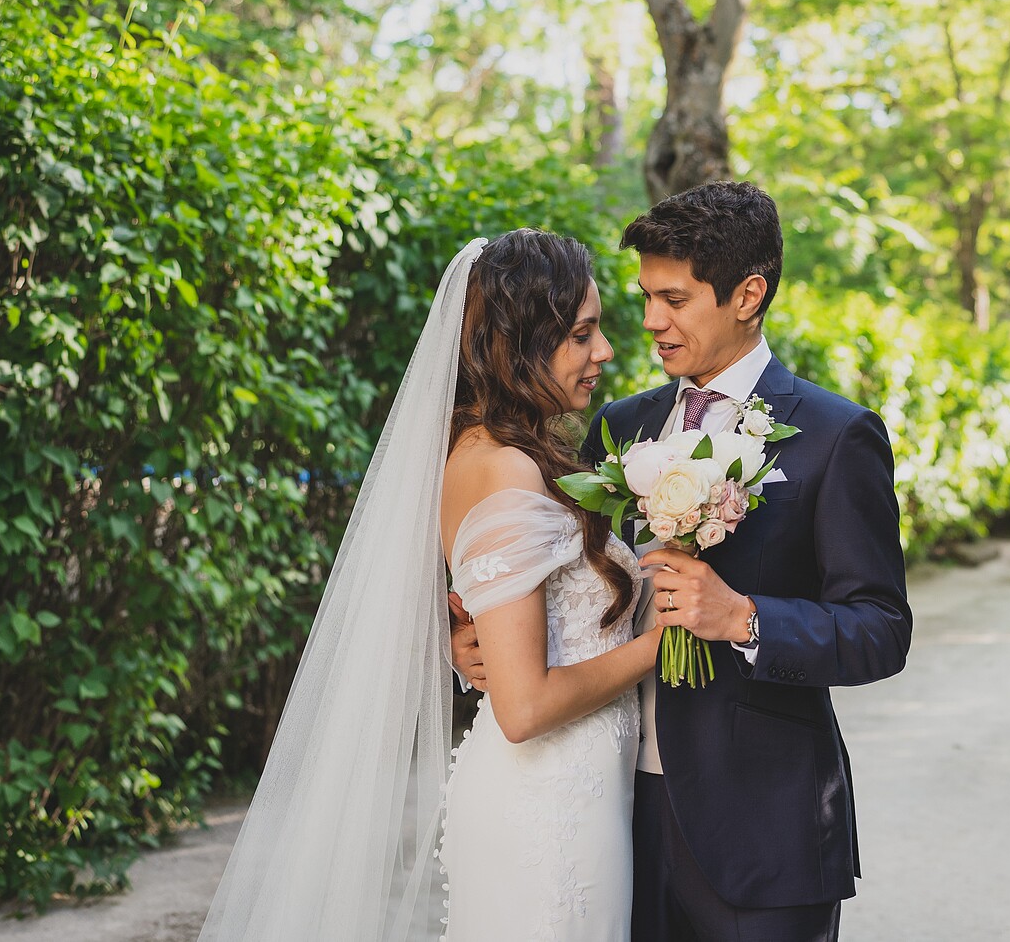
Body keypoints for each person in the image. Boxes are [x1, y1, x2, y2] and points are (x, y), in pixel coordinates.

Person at [454, 181, 913, 942]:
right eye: (644, 297)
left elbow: (880, 630)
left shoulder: (838, 436)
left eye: (673, 298)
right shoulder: (618, 424)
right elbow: (536, 566)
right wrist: (470, 637)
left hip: (761, 827)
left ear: (748, 294)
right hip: (611, 813)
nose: (649, 323)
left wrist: (743, 618)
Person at [199, 229, 663, 942]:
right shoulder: (503, 467)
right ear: (521, 346)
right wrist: (662, 642)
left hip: (574, 793)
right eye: (581, 335)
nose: (603, 353)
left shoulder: (496, 451)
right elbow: (524, 705)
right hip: (549, 808)